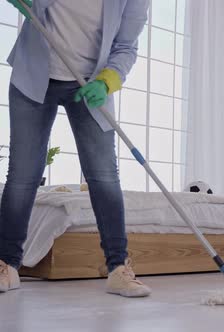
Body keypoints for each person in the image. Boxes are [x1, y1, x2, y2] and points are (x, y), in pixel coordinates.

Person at [0, 0, 151, 297]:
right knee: (23, 174)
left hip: (90, 83)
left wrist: (107, 82)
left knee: (104, 175)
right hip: (34, 75)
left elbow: (126, 46)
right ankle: (7, 264)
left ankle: (118, 268)